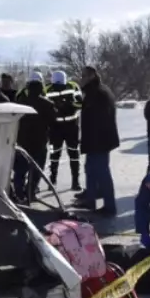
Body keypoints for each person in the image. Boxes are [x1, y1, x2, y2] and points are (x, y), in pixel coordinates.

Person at [76, 66, 119, 215]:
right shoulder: (96, 91)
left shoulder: (98, 93)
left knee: (101, 173)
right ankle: (90, 200)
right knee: (91, 170)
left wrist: (91, 140)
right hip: (97, 140)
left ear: (92, 76)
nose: (81, 79)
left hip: (99, 141)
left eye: (84, 76)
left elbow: (98, 120)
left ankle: (109, 207)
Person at [12, 72, 57, 203]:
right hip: (39, 142)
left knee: (20, 170)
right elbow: (53, 122)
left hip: (22, 141)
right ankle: (31, 193)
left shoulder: (20, 102)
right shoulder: (47, 104)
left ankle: (19, 194)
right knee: (37, 169)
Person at [45, 70, 83, 190]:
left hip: (72, 126)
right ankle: (52, 180)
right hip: (55, 128)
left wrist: (69, 105)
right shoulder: (47, 89)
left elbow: (81, 103)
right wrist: (55, 107)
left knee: (74, 154)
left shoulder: (73, 86)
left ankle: (75, 181)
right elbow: (44, 106)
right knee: (54, 154)